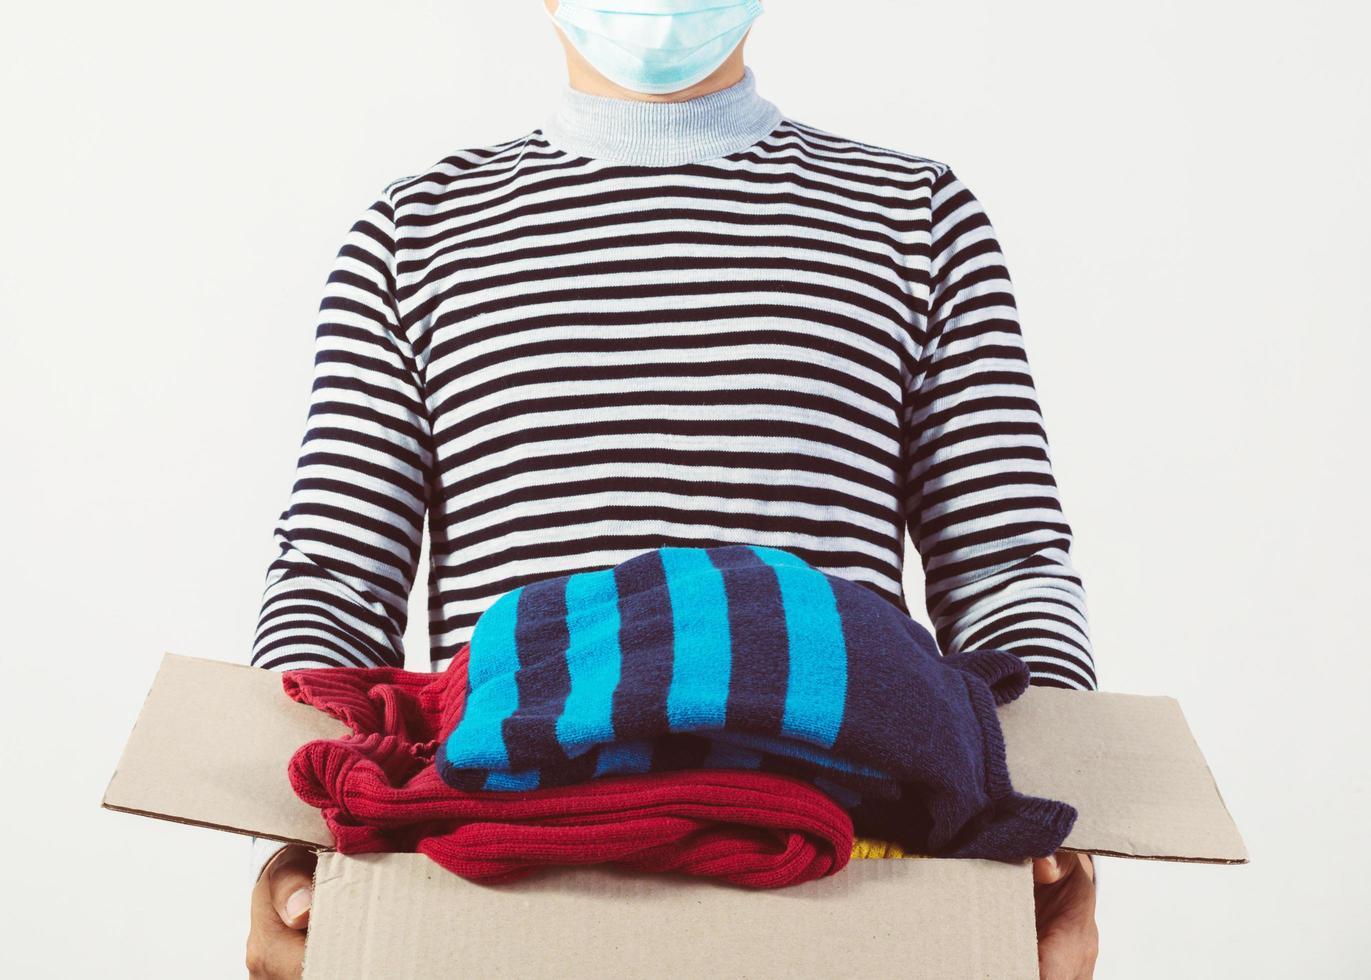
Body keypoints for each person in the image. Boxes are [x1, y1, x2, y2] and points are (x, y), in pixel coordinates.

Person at [244, 2, 1100, 977]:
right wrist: (297, 857)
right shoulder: (412, 234)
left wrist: (1048, 852)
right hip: (495, 897)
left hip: (854, 893)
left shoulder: (916, 215)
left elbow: (1010, 573)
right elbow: (332, 586)